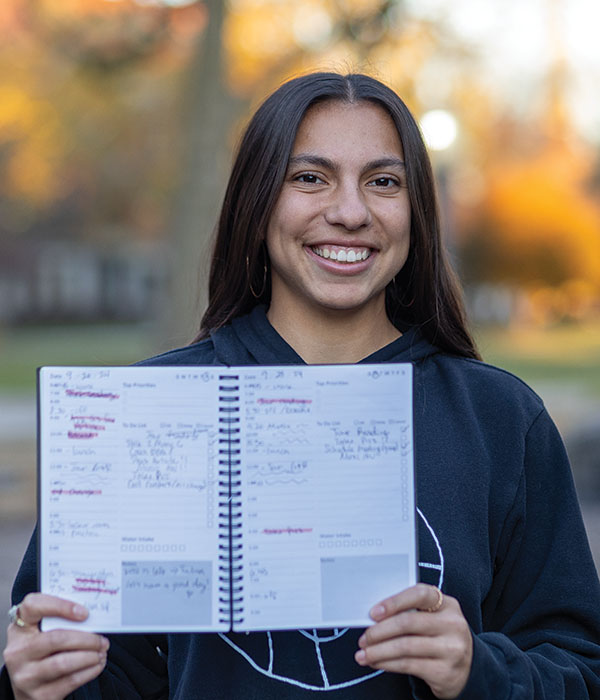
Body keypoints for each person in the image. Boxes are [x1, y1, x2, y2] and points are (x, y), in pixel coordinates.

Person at [2, 72, 600, 699]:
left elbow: (579, 671)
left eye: (383, 182)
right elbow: (95, 670)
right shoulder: (143, 415)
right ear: (257, 203)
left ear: (417, 211)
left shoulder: (501, 421)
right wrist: (34, 681)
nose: (349, 212)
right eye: (309, 177)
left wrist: (476, 669)